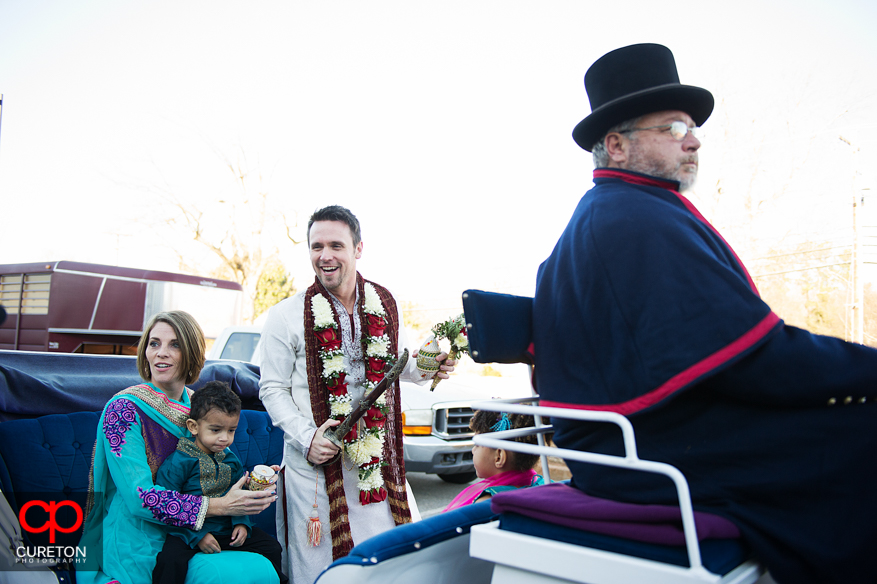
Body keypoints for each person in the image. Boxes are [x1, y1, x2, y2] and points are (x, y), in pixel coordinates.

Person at [533, 43, 877, 584]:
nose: (692, 140)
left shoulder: (624, 208)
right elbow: (755, 361)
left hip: (635, 439)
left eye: (691, 128)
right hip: (649, 448)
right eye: (671, 128)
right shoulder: (633, 218)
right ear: (617, 146)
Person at [259, 205, 455, 584]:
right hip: (316, 468)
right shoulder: (285, 315)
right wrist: (308, 437)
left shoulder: (385, 303)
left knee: (390, 567)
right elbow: (271, 389)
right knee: (323, 574)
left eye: (336, 245)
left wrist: (431, 367)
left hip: (378, 465)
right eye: (316, 246)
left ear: (358, 248)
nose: (325, 256)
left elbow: (402, 367)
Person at [78, 311, 279, 584]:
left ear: (192, 353)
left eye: (175, 345)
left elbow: (221, 470)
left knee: (264, 564)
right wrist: (218, 507)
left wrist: (255, 485)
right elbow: (139, 498)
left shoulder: (202, 407)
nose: (161, 353)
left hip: (206, 528)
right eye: (154, 343)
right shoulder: (124, 409)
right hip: (140, 534)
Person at [152, 381, 287, 584]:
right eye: (216, 430)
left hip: (226, 529)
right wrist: (197, 537)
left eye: (231, 431)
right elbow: (168, 505)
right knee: (170, 560)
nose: (224, 438)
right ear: (193, 427)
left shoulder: (230, 459)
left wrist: (241, 523)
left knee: (271, 547)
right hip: (188, 531)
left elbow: (238, 495)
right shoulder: (178, 462)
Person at [443, 411, 543, 512]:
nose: (473, 451)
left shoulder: (486, 503)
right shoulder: (542, 486)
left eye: (477, 445)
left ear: (499, 457)